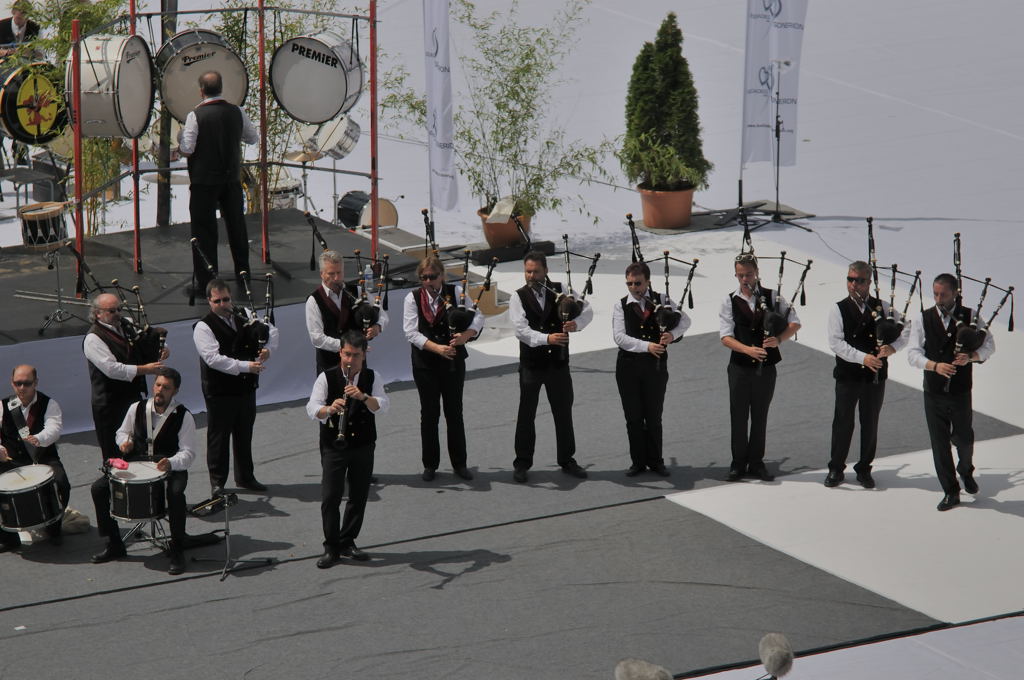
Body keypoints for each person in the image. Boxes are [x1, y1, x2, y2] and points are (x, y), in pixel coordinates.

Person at [89, 367, 196, 575]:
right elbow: (122, 432)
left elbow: (189, 453)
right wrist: (124, 442)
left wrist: (171, 462)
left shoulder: (184, 416)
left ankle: (177, 547)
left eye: (166, 388)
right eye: (157, 385)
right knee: (98, 489)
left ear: (175, 391)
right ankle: (114, 543)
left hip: (168, 464)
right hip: (136, 460)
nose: (160, 390)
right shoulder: (136, 408)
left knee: (175, 494)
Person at [907, 273, 995, 511]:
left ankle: (965, 470)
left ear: (955, 293)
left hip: (960, 391)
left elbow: (989, 345)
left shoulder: (971, 316)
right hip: (933, 391)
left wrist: (972, 358)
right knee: (939, 443)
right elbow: (913, 353)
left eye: (943, 294)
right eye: (935, 294)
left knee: (965, 438)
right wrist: (934, 365)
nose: (938, 299)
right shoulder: (922, 318)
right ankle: (950, 491)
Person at [306, 330, 389, 568]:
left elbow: (382, 407)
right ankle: (331, 546)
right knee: (331, 497)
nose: (350, 361)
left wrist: (363, 397)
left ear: (365, 355)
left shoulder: (373, 377)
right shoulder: (327, 377)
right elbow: (312, 408)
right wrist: (330, 409)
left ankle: (348, 540)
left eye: (356, 355)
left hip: (363, 444)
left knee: (359, 495)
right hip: (334, 445)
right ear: (340, 352)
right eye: (346, 354)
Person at [509, 251, 592, 483]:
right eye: (528, 271)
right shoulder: (518, 297)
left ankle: (567, 460)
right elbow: (520, 331)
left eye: (535, 271)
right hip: (531, 365)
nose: (531, 276)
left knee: (563, 412)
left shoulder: (561, 289)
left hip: (558, 364)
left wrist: (577, 324)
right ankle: (522, 462)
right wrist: (548, 339)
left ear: (545, 270)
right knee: (526, 414)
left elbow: (587, 310)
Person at [825, 261, 910, 489]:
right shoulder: (838, 308)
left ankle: (864, 468)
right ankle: (836, 467)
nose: (853, 284)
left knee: (870, 422)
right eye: (850, 279)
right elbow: (836, 342)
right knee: (842, 421)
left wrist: (893, 348)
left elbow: (907, 328)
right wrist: (863, 357)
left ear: (868, 282)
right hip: (848, 375)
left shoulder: (883, 306)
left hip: (875, 378)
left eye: (859, 280)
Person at [719, 252, 801, 482]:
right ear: (735, 275)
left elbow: (795, 322)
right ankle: (738, 464)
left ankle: (756, 463)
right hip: (739, 367)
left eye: (749, 274)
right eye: (740, 275)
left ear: (756, 273)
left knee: (760, 415)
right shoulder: (729, 301)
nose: (745, 279)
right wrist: (747, 350)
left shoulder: (772, 296)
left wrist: (779, 340)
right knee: (738, 415)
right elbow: (725, 337)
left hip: (766, 368)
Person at [193, 278, 279, 496]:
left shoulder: (244, 314)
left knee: (244, 433)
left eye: (226, 299)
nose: (223, 304)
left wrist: (268, 348)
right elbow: (213, 359)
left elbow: (270, 330)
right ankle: (218, 482)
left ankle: (245, 477)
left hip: (246, 388)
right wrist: (246, 367)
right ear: (209, 301)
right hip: (219, 390)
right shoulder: (203, 327)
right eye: (218, 301)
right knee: (218, 437)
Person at [403, 255, 483, 482]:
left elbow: (478, 317)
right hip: (425, 364)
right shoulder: (413, 298)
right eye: (424, 277)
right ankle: (430, 464)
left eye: (432, 277)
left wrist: (467, 334)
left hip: (453, 363)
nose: (428, 281)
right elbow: (411, 332)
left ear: (442, 276)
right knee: (429, 414)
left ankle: (460, 463)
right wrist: (437, 349)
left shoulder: (456, 291)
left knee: (454, 412)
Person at [178, 70, 258, 295]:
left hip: (204, 181)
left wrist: (180, 138)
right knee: (237, 226)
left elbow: (187, 148)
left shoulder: (196, 115)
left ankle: (207, 282)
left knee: (204, 231)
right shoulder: (237, 111)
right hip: (231, 178)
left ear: (201, 90)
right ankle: (243, 274)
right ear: (221, 87)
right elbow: (252, 138)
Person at [612, 261, 690, 477]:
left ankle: (656, 461)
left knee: (654, 416)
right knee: (634, 417)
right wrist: (648, 346)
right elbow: (619, 337)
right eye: (629, 284)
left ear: (648, 281)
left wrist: (671, 336)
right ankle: (638, 462)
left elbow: (685, 320)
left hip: (655, 368)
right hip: (628, 368)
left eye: (637, 283)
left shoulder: (662, 300)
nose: (633, 288)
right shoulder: (621, 305)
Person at [83, 292, 169, 461]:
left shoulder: (126, 324)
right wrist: (145, 369)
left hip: (132, 397)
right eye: (111, 311)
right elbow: (112, 369)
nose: (117, 314)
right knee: (115, 453)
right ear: (98, 313)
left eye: (119, 309)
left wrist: (164, 347)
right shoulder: (93, 338)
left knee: (137, 444)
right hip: (109, 404)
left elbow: (148, 335)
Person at [0, 365, 69, 551]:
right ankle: (7, 537)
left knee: (62, 483)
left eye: (27, 383)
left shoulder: (49, 403)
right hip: (12, 460)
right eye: (17, 383)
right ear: (12, 383)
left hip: (43, 457)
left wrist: (38, 439)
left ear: (35, 383)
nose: (22, 388)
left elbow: (54, 428)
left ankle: (54, 527)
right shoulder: (2, 405)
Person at [306, 249, 387, 375]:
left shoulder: (357, 291)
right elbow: (317, 338)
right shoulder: (314, 300)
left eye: (339, 273)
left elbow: (381, 313)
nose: (337, 278)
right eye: (331, 274)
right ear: (321, 274)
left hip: (358, 364)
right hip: (330, 366)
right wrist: (348, 347)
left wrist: (378, 326)